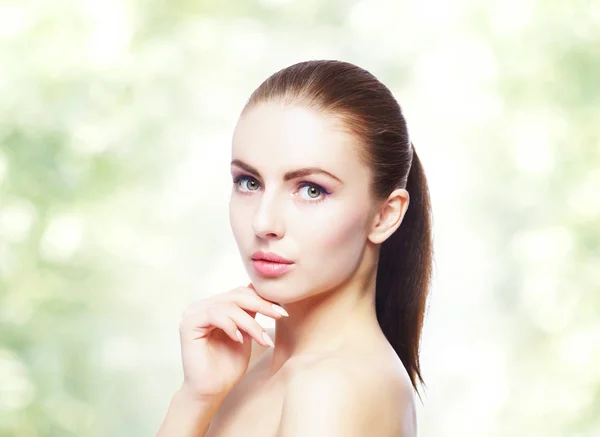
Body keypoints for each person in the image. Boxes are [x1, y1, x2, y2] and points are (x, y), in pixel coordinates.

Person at [156, 59, 433, 437]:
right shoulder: (249, 362)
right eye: (249, 182)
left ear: (384, 215)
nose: (264, 223)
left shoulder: (333, 387)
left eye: (311, 190)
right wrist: (195, 399)